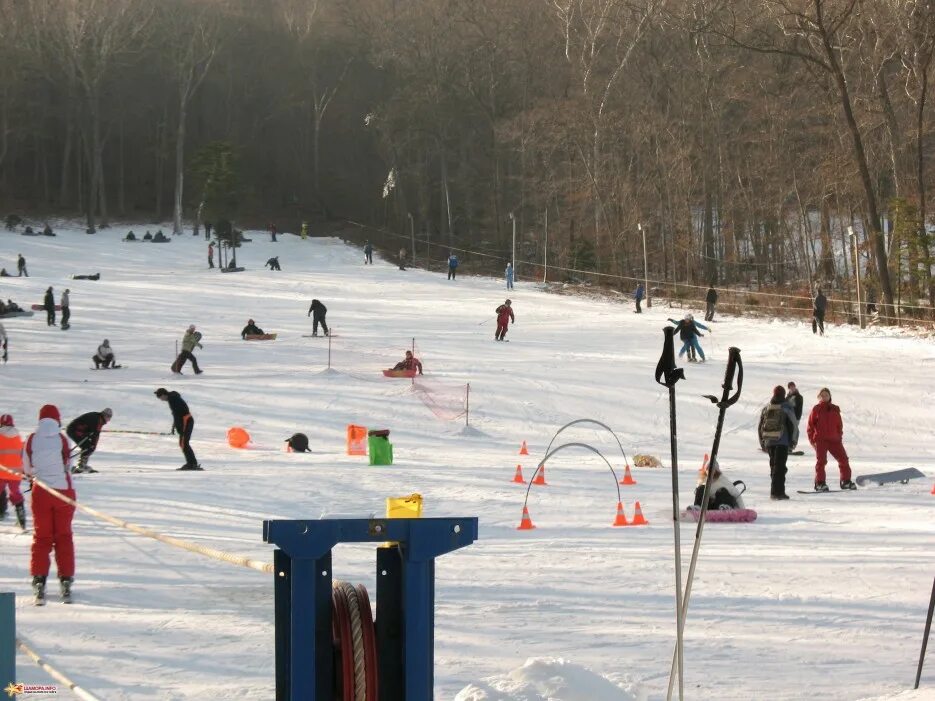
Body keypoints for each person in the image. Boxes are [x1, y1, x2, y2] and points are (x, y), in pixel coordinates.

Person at [22, 404, 76, 604]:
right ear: (57, 419)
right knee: (64, 535)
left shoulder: (31, 439)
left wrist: (36, 472)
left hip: (41, 493)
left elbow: (27, 467)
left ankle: (39, 579)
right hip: (64, 492)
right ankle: (66, 579)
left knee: (42, 536)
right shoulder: (62, 439)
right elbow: (68, 464)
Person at [807, 387, 855, 491]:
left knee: (843, 459)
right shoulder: (816, 409)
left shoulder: (835, 409)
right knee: (821, 461)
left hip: (835, 441)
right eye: (822, 395)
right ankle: (820, 483)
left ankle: (846, 481)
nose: (824, 397)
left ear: (830, 397)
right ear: (819, 397)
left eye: (826, 395)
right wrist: (813, 441)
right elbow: (810, 427)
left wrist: (839, 437)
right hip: (821, 440)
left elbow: (839, 426)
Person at [758, 386, 798, 499]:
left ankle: (775, 491)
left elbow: (760, 426)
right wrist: (793, 441)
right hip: (782, 441)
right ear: (784, 394)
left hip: (769, 441)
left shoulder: (767, 407)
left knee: (773, 466)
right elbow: (793, 425)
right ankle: (777, 493)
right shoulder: (786, 407)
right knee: (780, 467)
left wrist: (762, 442)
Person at [155, 388, 201, 470]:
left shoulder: (173, 399)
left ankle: (192, 464)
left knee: (184, 443)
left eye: (159, 397)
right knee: (183, 443)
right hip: (186, 421)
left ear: (163, 395)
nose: (160, 399)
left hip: (186, 421)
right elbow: (176, 414)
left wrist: (179, 427)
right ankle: (192, 463)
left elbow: (179, 413)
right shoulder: (172, 398)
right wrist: (174, 426)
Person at [0, 413, 27, 530]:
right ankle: (22, 520)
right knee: (15, 494)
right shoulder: (18, 436)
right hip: (15, 473)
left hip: (1, 472)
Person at [66, 408, 112, 474]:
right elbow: (95, 435)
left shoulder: (98, 418)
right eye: (109, 417)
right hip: (74, 430)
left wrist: (93, 445)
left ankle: (82, 465)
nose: (109, 420)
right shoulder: (98, 420)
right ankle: (81, 466)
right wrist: (93, 446)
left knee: (88, 447)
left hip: (77, 430)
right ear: (105, 416)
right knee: (87, 447)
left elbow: (95, 434)